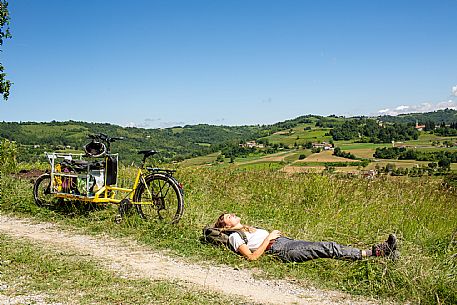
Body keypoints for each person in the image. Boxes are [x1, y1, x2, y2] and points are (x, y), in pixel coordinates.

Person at [214, 213, 398, 262]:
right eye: (228, 217)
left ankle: (387, 255)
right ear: (225, 226)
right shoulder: (234, 238)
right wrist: (269, 237)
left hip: (285, 243)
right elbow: (252, 258)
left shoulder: (246, 228)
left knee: (326, 247)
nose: (232, 215)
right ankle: (378, 252)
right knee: (327, 247)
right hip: (281, 250)